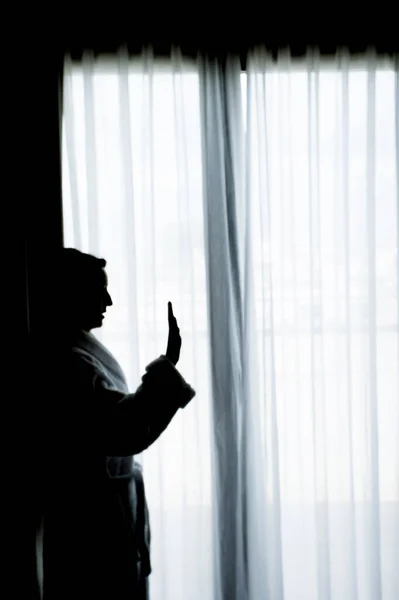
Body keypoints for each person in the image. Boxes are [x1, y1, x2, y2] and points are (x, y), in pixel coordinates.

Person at [31, 248, 195, 599]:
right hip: (90, 523)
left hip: (101, 512)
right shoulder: (68, 362)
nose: (108, 300)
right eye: (98, 290)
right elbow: (122, 426)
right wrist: (167, 365)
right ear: (69, 294)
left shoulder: (77, 351)